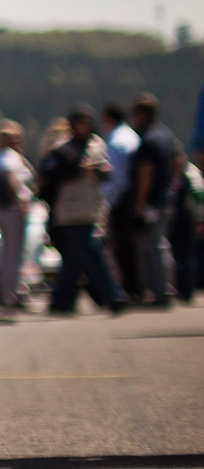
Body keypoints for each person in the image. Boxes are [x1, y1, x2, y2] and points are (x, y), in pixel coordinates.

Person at [38, 106, 123, 316]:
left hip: (91, 205)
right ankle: (112, 295)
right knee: (92, 252)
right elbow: (49, 174)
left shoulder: (96, 144)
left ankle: (61, 300)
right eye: (79, 124)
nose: (83, 128)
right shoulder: (61, 149)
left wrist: (100, 171)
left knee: (74, 258)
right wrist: (77, 168)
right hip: (69, 210)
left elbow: (106, 170)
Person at [123, 96, 183, 306]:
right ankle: (165, 288)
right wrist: (172, 183)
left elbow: (145, 174)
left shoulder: (147, 140)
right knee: (162, 245)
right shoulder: (167, 135)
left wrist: (140, 203)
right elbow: (179, 159)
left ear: (142, 114)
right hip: (166, 198)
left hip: (151, 202)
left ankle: (161, 292)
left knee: (153, 247)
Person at [0, 122, 32, 310]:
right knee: (13, 253)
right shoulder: (11, 157)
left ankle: (7, 291)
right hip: (12, 209)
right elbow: (10, 178)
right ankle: (10, 294)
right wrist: (19, 201)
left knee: (7, 251)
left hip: (0, 208)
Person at [100, 103, 140, 295]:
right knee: (135, 247)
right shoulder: (132, 136)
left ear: (108, 120)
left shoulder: (115, 142)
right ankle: (137, 287)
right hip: (135, 195)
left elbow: (116, 176)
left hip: (122, 199)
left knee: (123, 248)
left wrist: (108, 196)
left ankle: (129, 288)